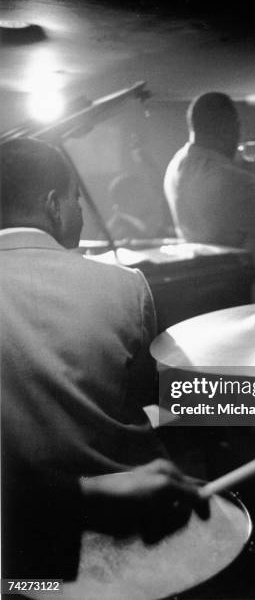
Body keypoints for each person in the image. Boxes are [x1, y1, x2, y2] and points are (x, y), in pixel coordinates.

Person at [0, 138, 207, 579]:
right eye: (76, 199)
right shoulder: (125, 286)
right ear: (55, 205)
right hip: (128, 539)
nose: (79, 211)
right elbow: (169, 401)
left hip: (17, 561)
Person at [164, 92, 255, 302]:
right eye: (238, 125)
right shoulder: (230, 179)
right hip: (245, 295)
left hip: (207, 286)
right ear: (230, 126)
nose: (240, 133)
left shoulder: (179, 163)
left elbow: (240, 175)